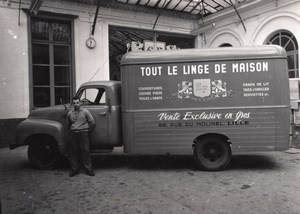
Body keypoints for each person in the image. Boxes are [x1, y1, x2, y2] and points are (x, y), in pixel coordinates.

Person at [67, 97, 95, 177]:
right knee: (73, 152)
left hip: (83, 133)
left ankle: (88, 170)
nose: (76, 104)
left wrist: (86, 130)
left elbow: (92, 122)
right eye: (74, 103)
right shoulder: (70, 113)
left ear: (80, 103)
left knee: (85, 151)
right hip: (74, 133)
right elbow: (68, 124)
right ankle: (74, 170)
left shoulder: (85, 112)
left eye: (77, 103)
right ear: (73, 104)